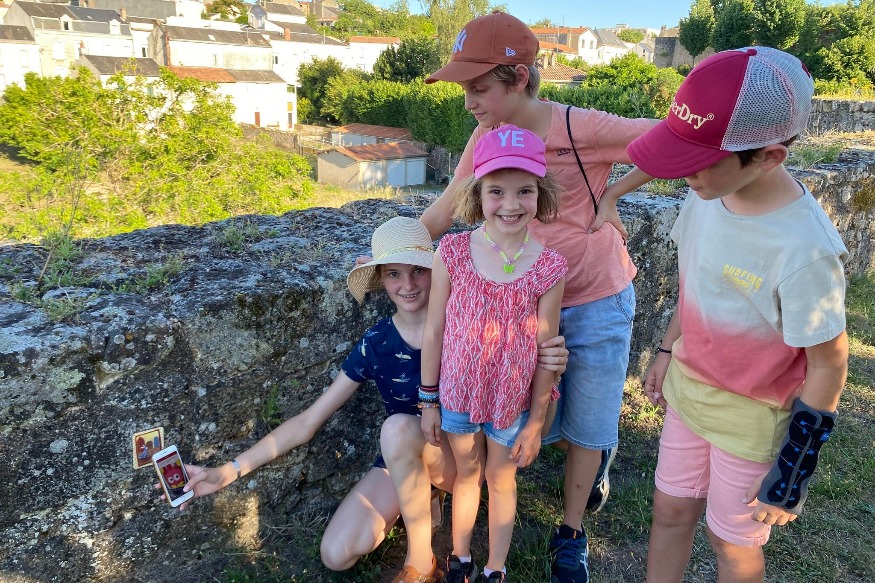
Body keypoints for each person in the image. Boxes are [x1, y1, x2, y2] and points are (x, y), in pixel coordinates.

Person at [163, 216, 569, 583]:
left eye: (418, 270)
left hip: (463, 459)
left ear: (438, 270)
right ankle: (422, 497)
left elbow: (527, 402)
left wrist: (551, 367)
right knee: (337, 553)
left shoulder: (466, 326)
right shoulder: (377, 342)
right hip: (403, 452)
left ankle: (419, 560)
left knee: (396, 430)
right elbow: (309, 421)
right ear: (380, 280)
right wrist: (227, 471)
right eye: (394, 274)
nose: (408, 285)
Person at [421, 11, 657, 582]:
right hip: (521, 305)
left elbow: (674, 139)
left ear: (520, 78)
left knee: (590, 422)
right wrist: (395, 251)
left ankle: (571, 532)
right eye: (465, 90)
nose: (469, 102)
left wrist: (613, 194)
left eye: (479, 88)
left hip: (595, 295)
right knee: (531, 420)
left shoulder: (580, 127)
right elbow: (452, 203)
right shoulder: (487, 135)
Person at [626, 47, 849, 582]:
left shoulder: (804, 249)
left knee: (731, 542)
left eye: (698, 160)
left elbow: (829, 362)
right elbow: (696, 283)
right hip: (688, 394)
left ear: (768, 157)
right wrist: (666, 349)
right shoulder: (704, 195)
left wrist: (794, 470)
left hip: (753, 416)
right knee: (670, 511)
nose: (684, 174)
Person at [420, 125, 567, 583]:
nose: (510, 204)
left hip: (511, 400)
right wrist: (428, 400)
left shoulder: (549, 267)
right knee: (468, 475)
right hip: (458, 395)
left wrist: (537, 421)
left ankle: (495, 567)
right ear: (477, 194)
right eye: (496, 191)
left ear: (540, 194)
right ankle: (460, 557)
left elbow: (547, 350)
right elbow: (434, 329)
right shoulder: (452, 252)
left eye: (524, 191)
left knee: (502, 479)